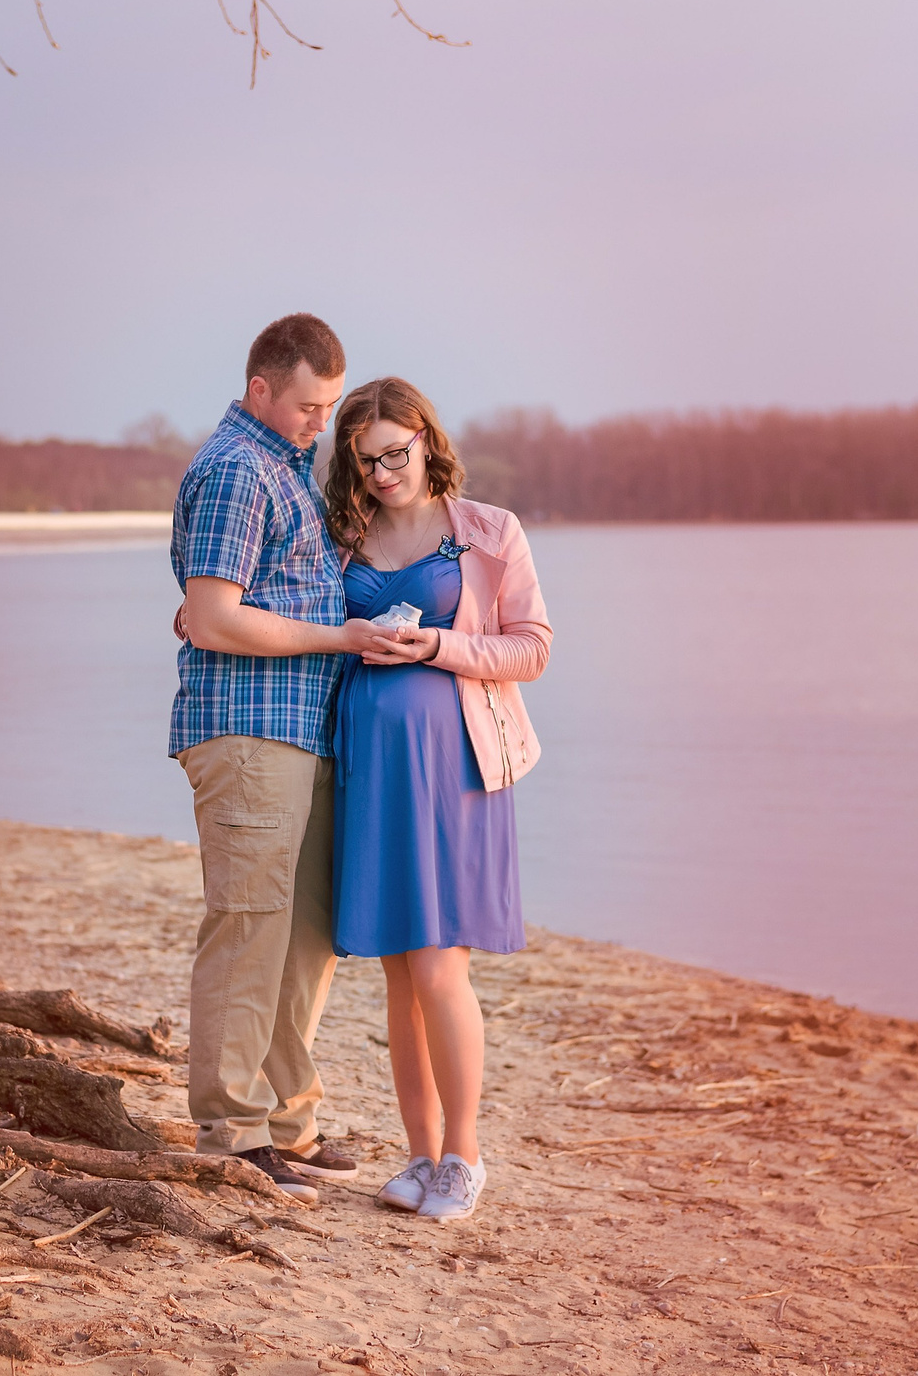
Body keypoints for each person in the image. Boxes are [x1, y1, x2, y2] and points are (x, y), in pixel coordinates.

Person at [319, 376, 551, 1223]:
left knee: (439, 966)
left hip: (454, 771)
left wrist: (439, 643)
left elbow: (532, 649)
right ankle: (417, 1156)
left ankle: (465, 1158)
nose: (382, 472)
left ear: (425, 438)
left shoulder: (490, 531)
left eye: (395, 453)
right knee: (396, 973)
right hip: (371, 773)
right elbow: (291, 619)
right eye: (364, 459)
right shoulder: (340, 537)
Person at [169, 312, 381, 1203]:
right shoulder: (233, 470)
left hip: (299, 730)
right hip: (250, 732)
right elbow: (214, 615)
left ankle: (288, 1118)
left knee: (302, 941)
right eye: (307, 406)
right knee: (250, 928)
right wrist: (340, 633)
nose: (320, 424)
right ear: (262, 388)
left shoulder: (287, 470)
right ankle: (233, 1129)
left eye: (330, 408)